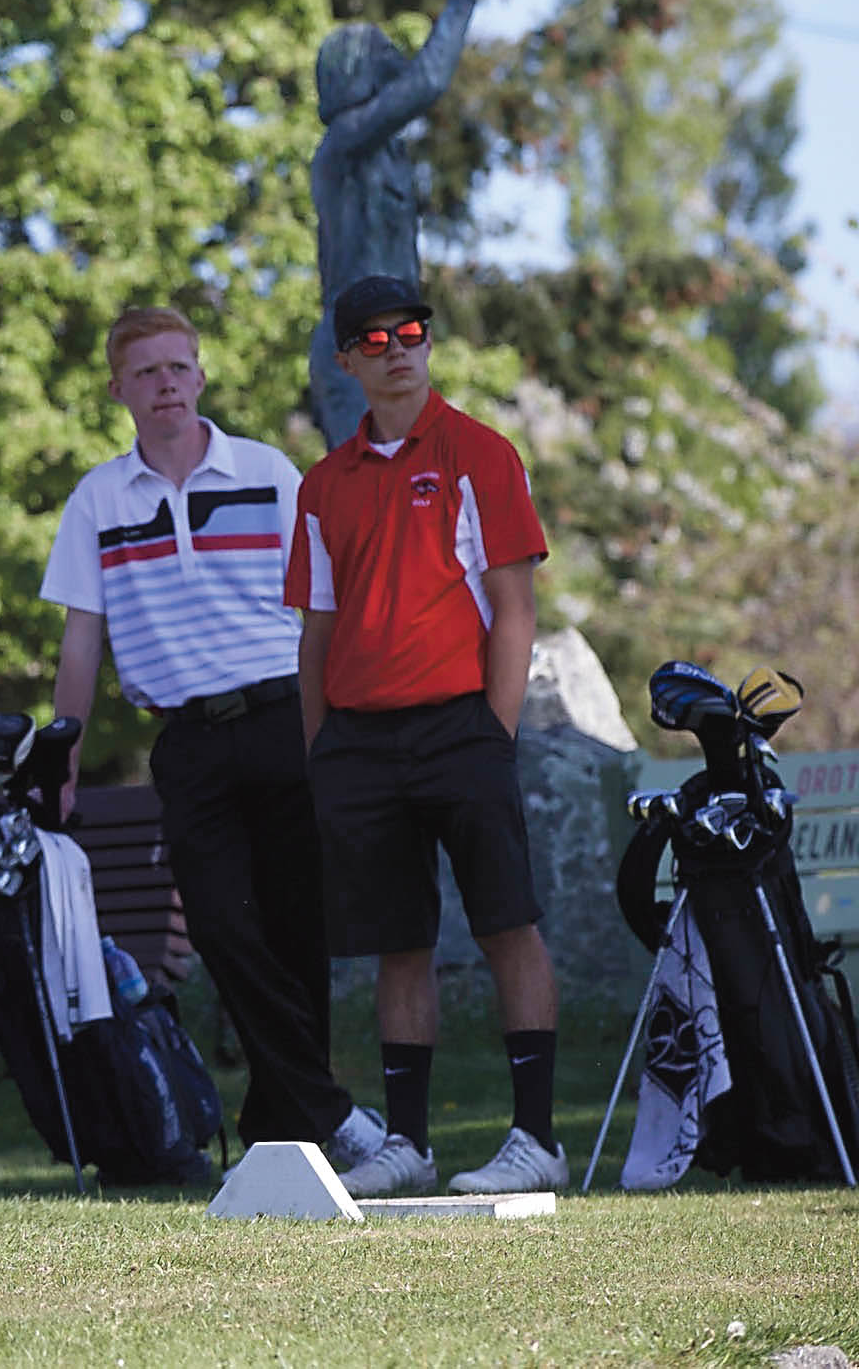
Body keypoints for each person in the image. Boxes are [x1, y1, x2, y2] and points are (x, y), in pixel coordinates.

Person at [39, 305, 386, 1175]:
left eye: (179, 368)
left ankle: (286, 1130)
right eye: (147, 372)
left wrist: (337, 727)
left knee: (298, 933)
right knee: (227, 936)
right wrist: (64, 756)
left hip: (283, 721)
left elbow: (322, 607)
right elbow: (82, 638)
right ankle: (329, 1115)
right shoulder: (98, 499)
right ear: (119, 389)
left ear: (201, 376)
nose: (166, 385)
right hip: (188, 742)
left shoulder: (267, 472)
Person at [285, 272, 569, 1198]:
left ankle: (537, 1139)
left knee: (506, 926)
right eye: (375, 339)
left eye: (412, 331)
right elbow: (316, 632)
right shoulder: (324, 484)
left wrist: (494, 729)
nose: (398, 348)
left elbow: (515, 608)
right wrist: (322, 747)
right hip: (360, 743)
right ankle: (406, 1142)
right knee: (397, 944)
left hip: (462, 727)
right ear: (347, 362)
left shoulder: (482, 453)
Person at [308, 0, 492, 450]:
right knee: (369, 503)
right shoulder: (345, 143)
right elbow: (428, 82)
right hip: (358, 345)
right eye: (386, 61)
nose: (398, 72)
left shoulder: (382, 152)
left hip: (393, 343)